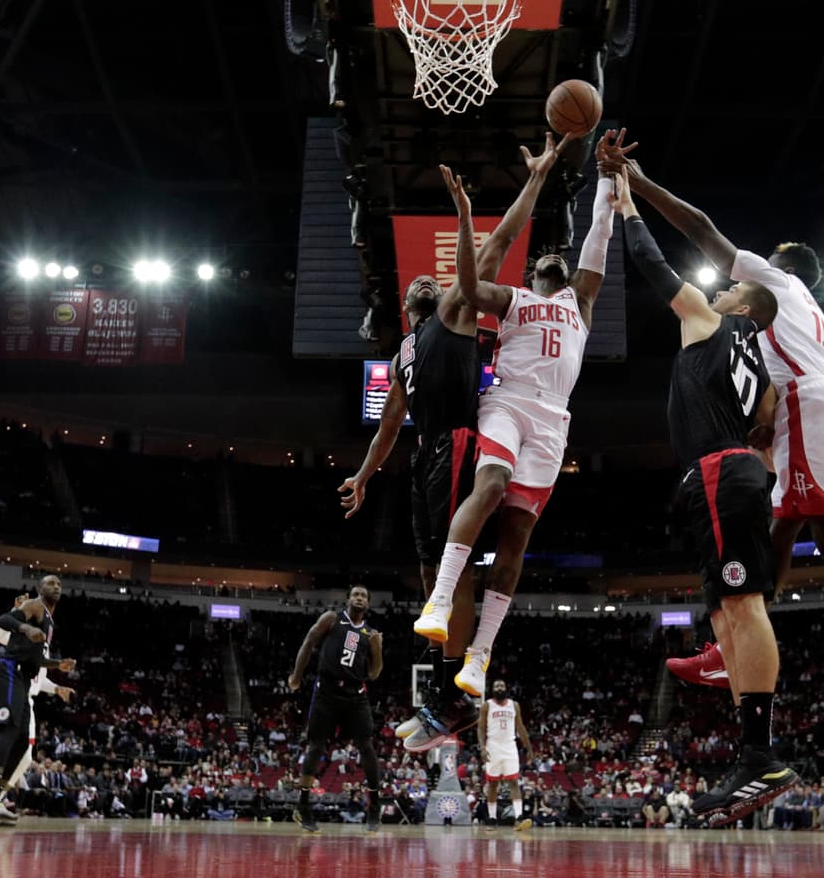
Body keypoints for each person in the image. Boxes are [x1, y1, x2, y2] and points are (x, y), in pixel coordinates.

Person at [597, 135, 824, 723]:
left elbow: (701, 228)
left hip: (813, 408)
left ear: (780, 269)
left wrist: (638, 185)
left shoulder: (779, 283)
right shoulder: (801, 322)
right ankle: (728, 646)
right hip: (818, 408)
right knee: (779, 525)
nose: (739, 272)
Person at [339, 136, 568, 751]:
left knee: (456, 570)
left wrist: (535, 182)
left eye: (428, 280)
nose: (423, 280)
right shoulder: (402, 352)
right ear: (404, 305)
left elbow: (499, 244)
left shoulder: (454, 312)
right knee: (427, 574)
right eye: (415, 282)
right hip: (424, 455)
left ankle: (455, 702)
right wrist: (363, 477)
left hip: (464, 443)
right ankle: (446, 689)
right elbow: (389, 426)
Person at [609, 165, 797, 826]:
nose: (718, 290)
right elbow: (770, 438)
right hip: (736, 473)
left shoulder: (713, 324)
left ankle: (762, 752)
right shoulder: (765, 370)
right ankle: (752, 751)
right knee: (726, 609)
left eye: (731, 288)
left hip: (720, 473)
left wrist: (625, 200)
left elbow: (651, 265)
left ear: (743, 306)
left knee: (741, 604)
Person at [412, 135, 612, 697]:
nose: (554, 254)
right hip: (506, 402)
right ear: (536, 274)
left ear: (567, 274)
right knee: (492, 483)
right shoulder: (515, 299)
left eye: (560, 256)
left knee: (518, 537)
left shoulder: (582, 304)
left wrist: (607, 184)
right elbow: (470, 286)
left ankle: (478, 657)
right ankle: (441, 596)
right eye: (545, 256)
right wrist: (467, 218)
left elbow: (598, 241)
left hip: (553, 422)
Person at [0, 589, 76, 822]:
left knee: (23, 752)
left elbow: (39, 676)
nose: (56, 587)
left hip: (25, 692)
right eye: (51, 583)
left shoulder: (45, 634)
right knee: (8, 739)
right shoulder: (30, 614)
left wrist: (57, 683)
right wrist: (17, 614)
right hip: (10, 680)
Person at [287, 585, 384, 833]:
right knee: (316, 746)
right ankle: (303, 805)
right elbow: (309, 642)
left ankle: (374, 806)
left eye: (364, 595)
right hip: (327, 692)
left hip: (355, 694)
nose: (359, 598)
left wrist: (378, 649)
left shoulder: (370, 633)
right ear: (348, 599)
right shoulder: (331, 619)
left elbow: (373, 673)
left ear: (368, 603)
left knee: (367, 746)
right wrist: (297, 676)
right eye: (356, 594)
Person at [478, 678, 533, 831]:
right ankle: (492, 819)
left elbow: (520, 727)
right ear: (492, 689)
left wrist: (529, 749)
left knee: (514, 782)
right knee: (493, 784)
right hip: (493, 746)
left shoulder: (514, 705)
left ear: (506, 688)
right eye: (497, 686)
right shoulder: (486, 706)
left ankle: (519, 818)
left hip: (510, 746)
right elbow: (481, 728)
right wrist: (482, 747)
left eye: (502, 685)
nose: (500, 688)